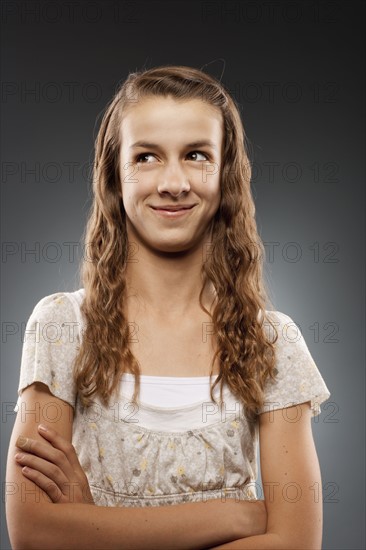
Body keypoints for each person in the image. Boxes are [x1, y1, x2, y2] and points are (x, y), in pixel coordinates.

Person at [6, 65, 331, 550]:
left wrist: (92, 523)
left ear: (226, 174)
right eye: (147, 157)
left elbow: (295, 543)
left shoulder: (273, 342)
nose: (174, 182)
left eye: (196, 155)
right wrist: (235, 515)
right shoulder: (61, 326)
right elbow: (34, 533)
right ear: (115, 176)